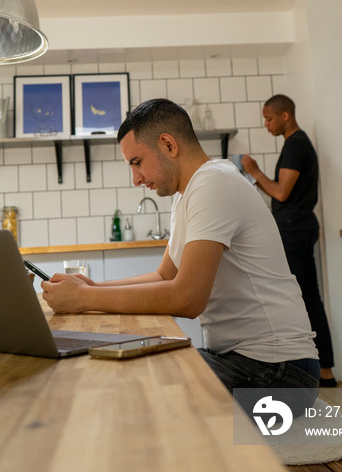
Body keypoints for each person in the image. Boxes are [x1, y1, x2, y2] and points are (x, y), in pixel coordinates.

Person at [42, 98, 320, 413]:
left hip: (281, 374)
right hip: (250, 363)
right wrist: (91, 288)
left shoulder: (213, 182)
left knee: (136, 389)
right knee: (133, 377)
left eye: (136, 162)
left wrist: (85, 300)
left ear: (168, 145)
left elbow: (187, 298)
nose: (136, 179)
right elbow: (164, 275)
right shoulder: (187, 193)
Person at [241, 94, 336, 387]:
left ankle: (299, 373)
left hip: (294, 231)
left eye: (269, 119)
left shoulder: (295, 144)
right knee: (309, 299)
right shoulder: (297, 143)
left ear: (285, 116)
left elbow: (282, 192)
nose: (266, 125)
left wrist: (254, 172)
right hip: (300, 228)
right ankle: (325, 372)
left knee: (292, 301)